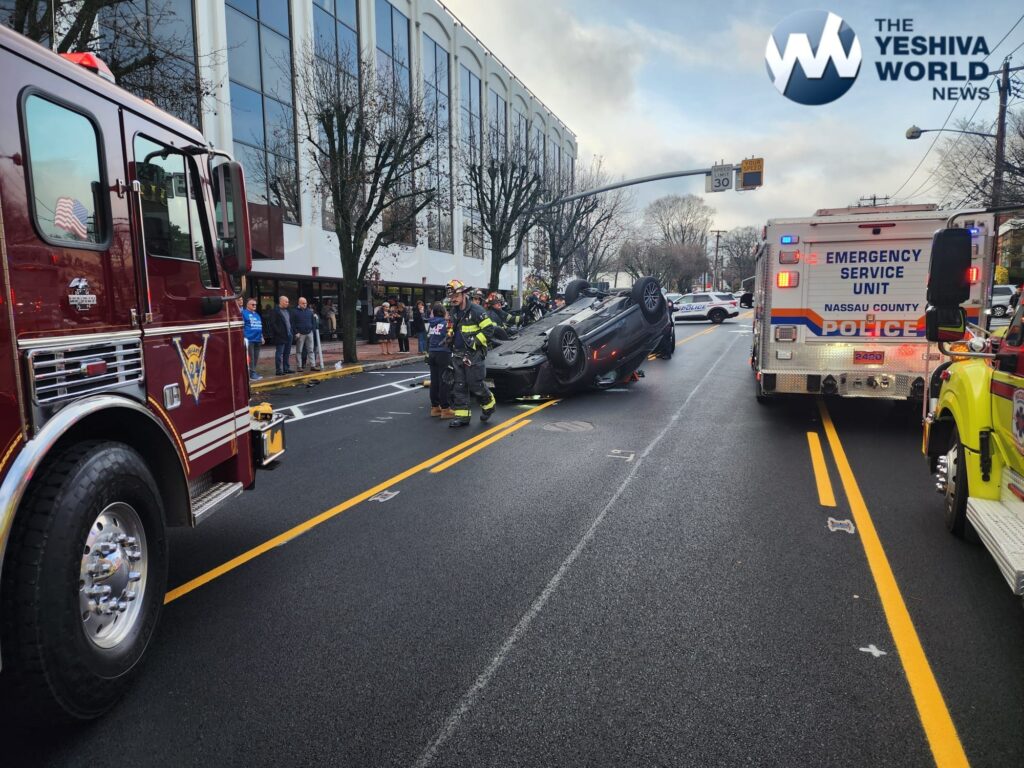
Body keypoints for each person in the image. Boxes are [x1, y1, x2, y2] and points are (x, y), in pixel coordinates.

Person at [444, 279, 497, 427]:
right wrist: (449, 336)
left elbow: (489, 330)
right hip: (457, 354)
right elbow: (452, 327)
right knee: (459, 386)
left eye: (456, 295)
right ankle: (463, 417)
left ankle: (489, 405)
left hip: (474, 354)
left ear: (463, 294)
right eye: (451, 296)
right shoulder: (454, 311)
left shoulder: (476, 310)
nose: (453, 299)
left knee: (475, 384)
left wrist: (474, 342)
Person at [427, 302, 454, 418]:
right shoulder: (447, 324)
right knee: (444, 381)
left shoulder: (431, 324)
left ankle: (435, 407)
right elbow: (451, 337)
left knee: (434, 381)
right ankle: (445, 409)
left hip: (432, 352)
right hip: (443, 353)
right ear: (443, 312)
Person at [269, 295, 294, 375]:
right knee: (279, 353)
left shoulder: (288, 311)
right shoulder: (275, 311)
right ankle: (278, 370)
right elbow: (272, 323)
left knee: (287, 353)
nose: (287, 303)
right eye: (286, 302)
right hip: (280, 336)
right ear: (281, 301)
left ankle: (286, 368)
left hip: (289, 335)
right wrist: (279, 332)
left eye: (288, 302)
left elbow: (290, 322)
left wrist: (291, 331)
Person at [242, 297, 264, 381]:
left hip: (257, 339)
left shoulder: (257, 314)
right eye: (253, 304)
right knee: (251, 358)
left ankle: (253, 372)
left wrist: (262, 337)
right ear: (247, 305)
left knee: (256, 357)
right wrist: (244, 337)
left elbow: (259, 326)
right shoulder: (243, 313)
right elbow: (242, 326)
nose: (254, 306)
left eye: (255, 304)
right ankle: (252, 374)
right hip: (249, 339)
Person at [292, 296, 317, 371]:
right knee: (299, 351)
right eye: (303, 303)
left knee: (311, 350)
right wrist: (296, 332)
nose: (305, 304)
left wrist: (312, 329)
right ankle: (299, 366)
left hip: (309, 333)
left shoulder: (309, 311)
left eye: (305, 303)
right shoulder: (294, 312)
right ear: (299, 303)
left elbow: (313, 321)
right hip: (300, 334)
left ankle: (313, 365)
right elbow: (292, 323)